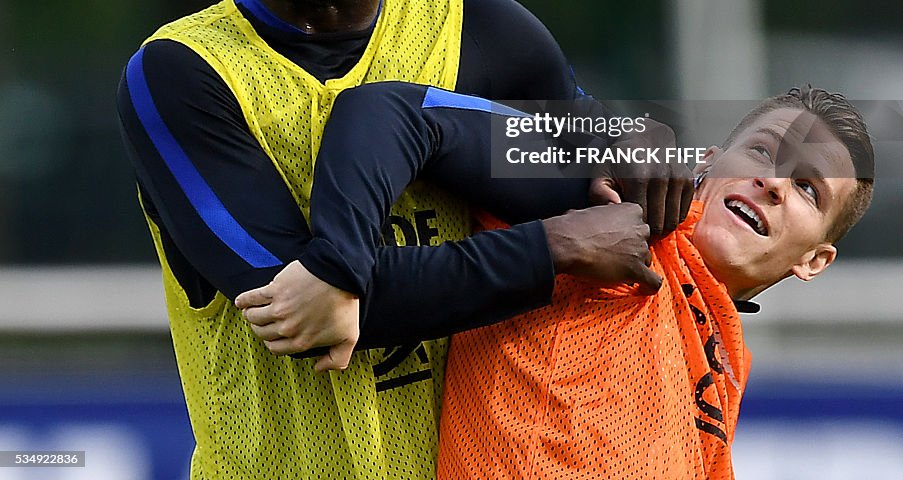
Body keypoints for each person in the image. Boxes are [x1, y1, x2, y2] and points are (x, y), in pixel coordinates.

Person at [116, 0, 692, 480]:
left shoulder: (485, 37)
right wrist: (550, 250)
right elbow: (298, 310)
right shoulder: (181, 73)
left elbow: (593, 177)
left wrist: (635, 133)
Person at [238, 81, 874, 479]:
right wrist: (340, 266)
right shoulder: (592, 197)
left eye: (808, 189)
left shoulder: (726, 356)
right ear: (706, 161)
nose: (773, 182)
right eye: (761, 153)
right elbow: (389, 111)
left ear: (813, 261)